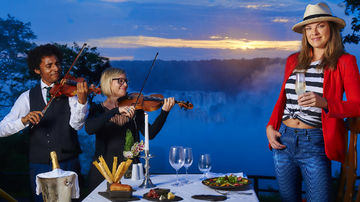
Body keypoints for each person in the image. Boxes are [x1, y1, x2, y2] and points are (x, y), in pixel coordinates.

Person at [266, 2, 360, 201]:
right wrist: (270, 126)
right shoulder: (293, 60)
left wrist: (324, 102)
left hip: (315, 142)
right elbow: (283, 99)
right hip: (283, 139)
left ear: (331, 29)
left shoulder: (345, 61)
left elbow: (357, 106)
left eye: (320, 26)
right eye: (308, 28)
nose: (313, 32)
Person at [0, 44, 89, 202]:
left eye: (57, 64)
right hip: (40, 164)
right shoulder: (27, 97)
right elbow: (2, 129)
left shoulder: (71, 93)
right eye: (49, 65)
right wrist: (23, 120)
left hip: (68, 162)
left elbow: (77, 125)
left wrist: (82, 102)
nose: (56, 68)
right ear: (37, 70)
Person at [85, 67, 175, 192]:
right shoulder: (97, 109)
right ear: (108, 82)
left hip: (130, 165)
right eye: (120, 81)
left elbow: (151, 134)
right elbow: (89, 129)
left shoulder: (135, 107)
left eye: (126, 81)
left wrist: (164, 113)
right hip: (104, 166)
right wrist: (115, 111)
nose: (125, 84)